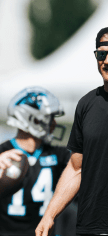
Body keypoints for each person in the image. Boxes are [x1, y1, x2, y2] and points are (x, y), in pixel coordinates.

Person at [0, 86, 71, 236]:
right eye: (49, 117)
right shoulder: (1, 152)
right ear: (32, 118)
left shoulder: (58, 155)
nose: (53, 123)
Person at [36, 27, 108, 236]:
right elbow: (76, 168)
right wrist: (49, 214)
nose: (106, 61)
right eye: (101, 54)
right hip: (90, 227)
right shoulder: (86, 104)